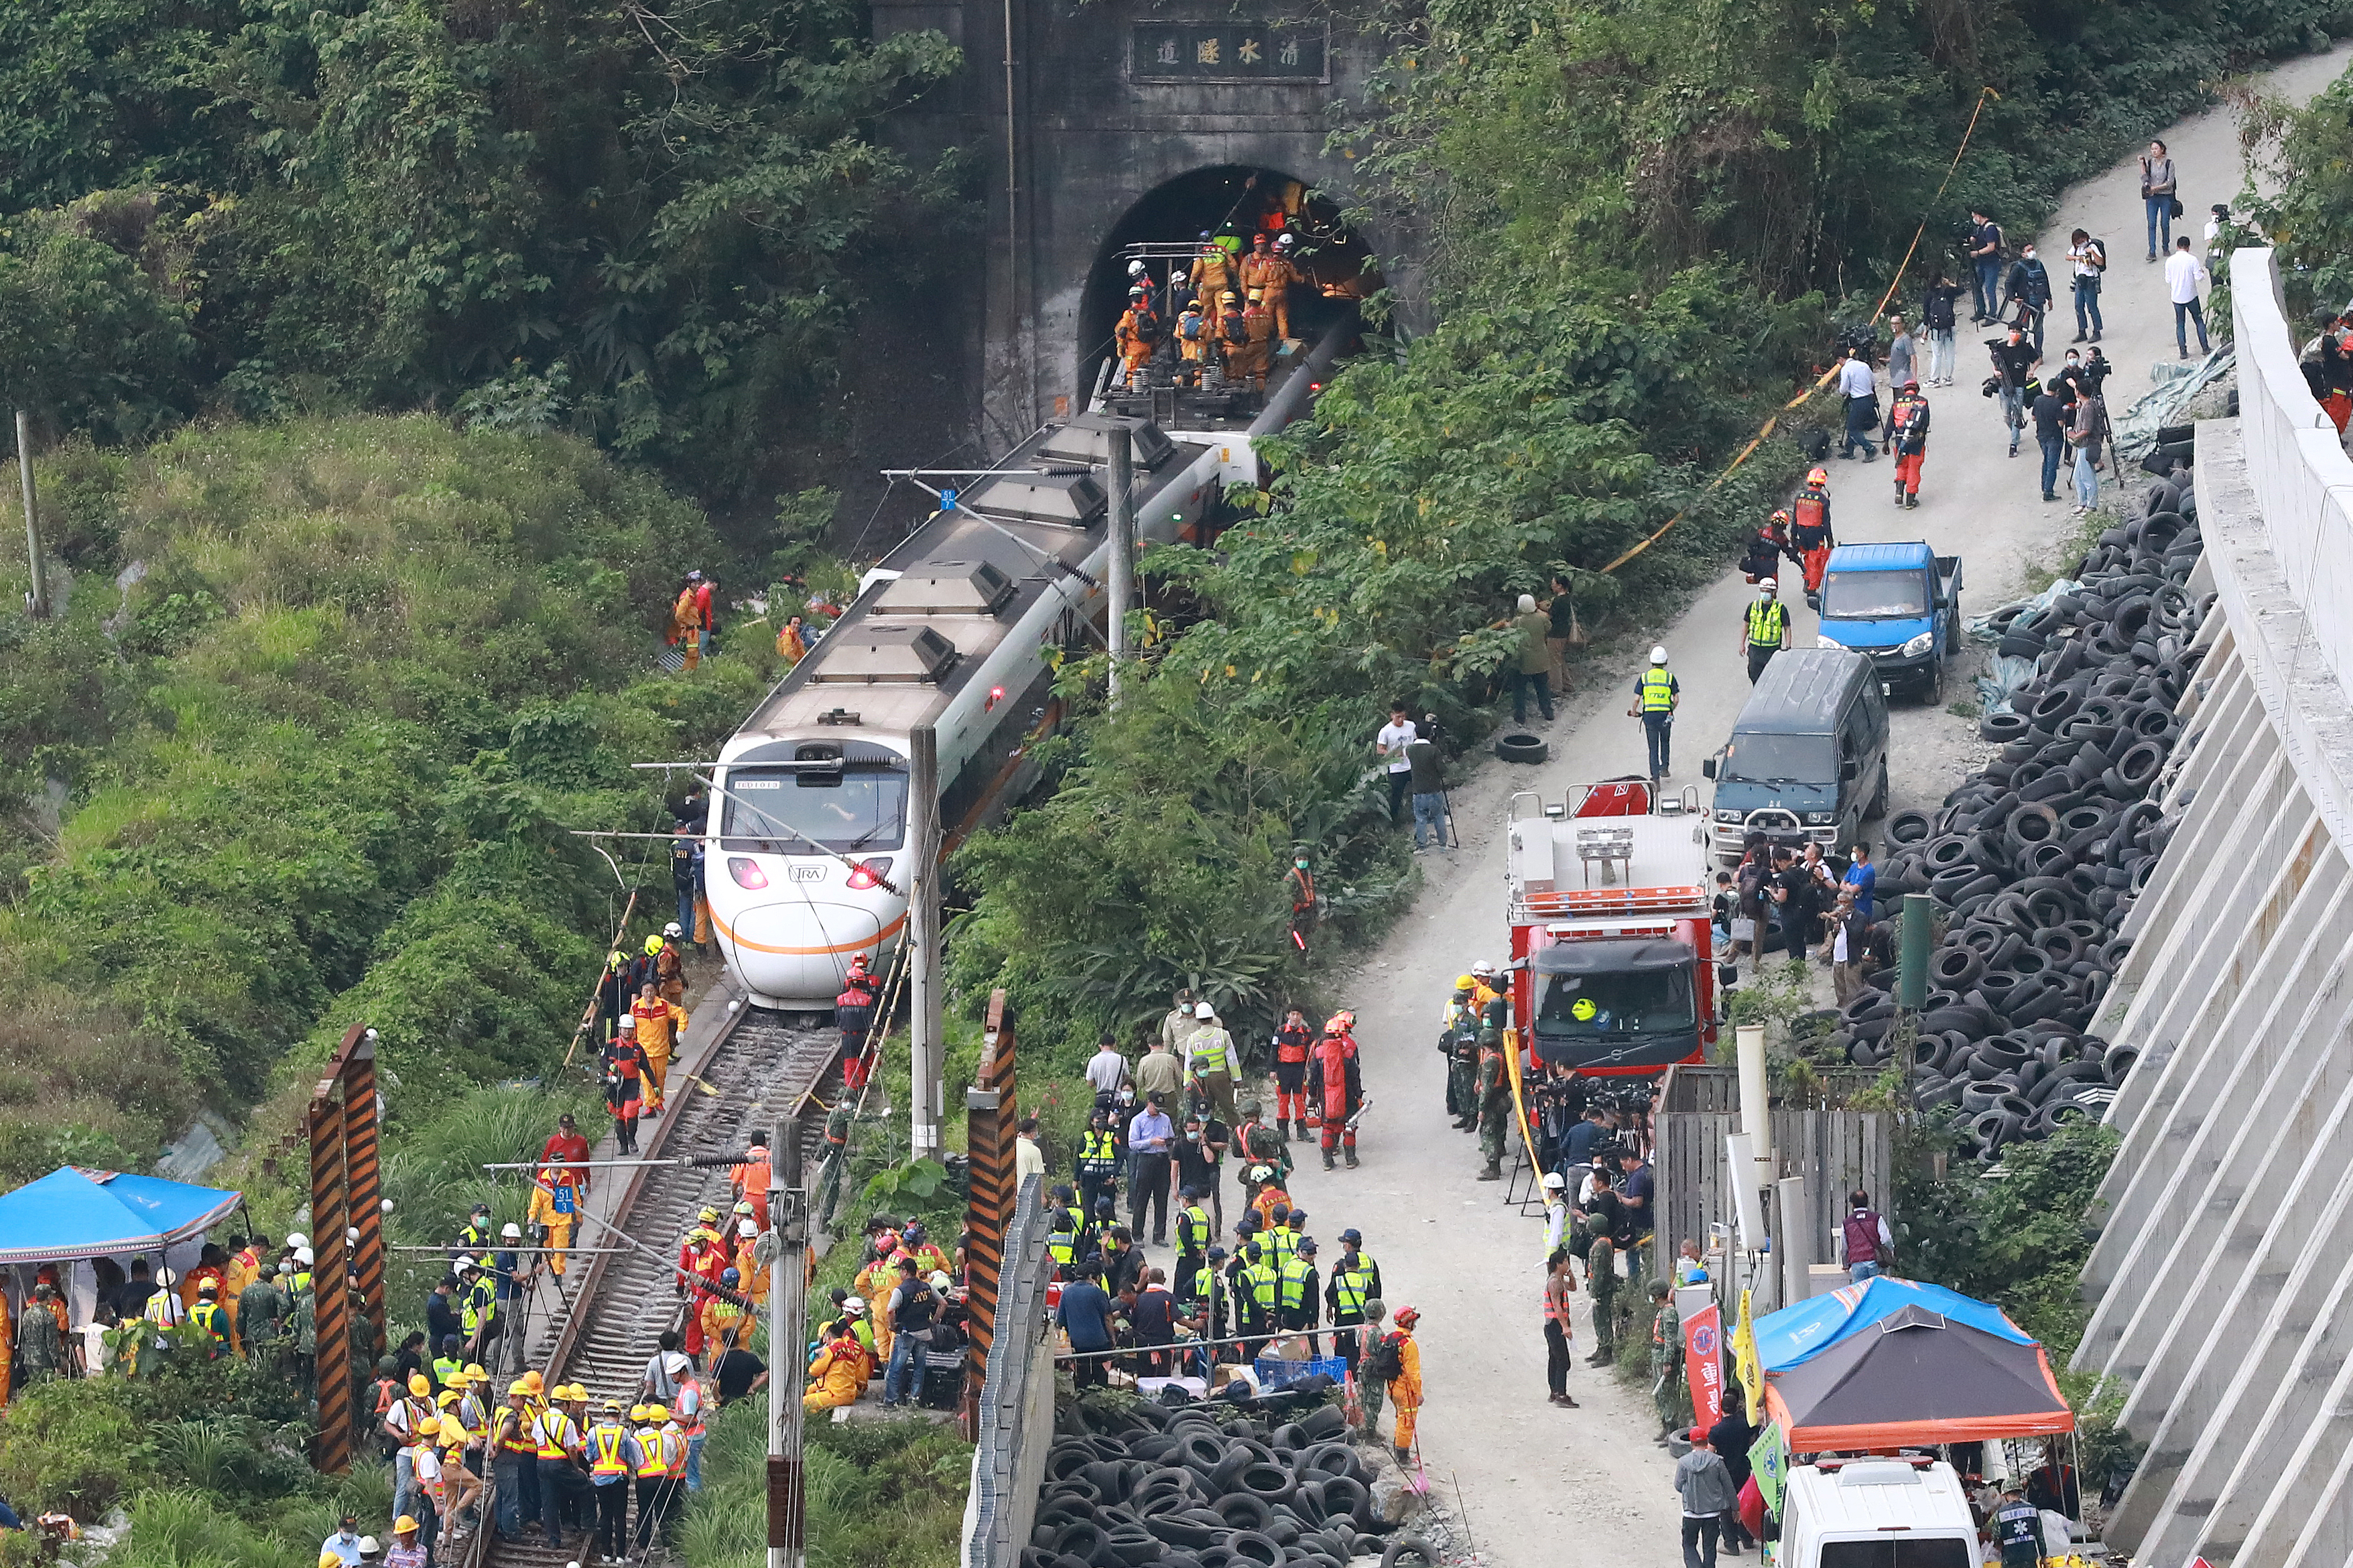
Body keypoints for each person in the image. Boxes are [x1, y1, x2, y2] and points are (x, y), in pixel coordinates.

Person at [1675, 1434, 1738, 1568]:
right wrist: (1735, 1508)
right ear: (1707, 1442)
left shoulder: (1684, 1462)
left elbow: (1678, 1485)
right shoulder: (1717, 1461)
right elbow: (1728, 1486)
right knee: (1710, 1547)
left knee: (1689, 1545)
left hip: (1691, 1513)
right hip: (1712, 1513)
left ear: (1692, 1443)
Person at [1311, 1012, 1364, 1170]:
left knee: (1328, 1127)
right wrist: (1359, 1095)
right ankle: (1351, 1159)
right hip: (1348, 1095)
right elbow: (1355, 1076)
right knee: (1349, 1126)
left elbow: (1313, 1076)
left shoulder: (1319, 1052)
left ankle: (1328, 1161)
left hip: (1326, 1096)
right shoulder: (1348, 1052)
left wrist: (1313, 1095)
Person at [1473, 988, 1515, 1181]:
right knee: (1497, 1128)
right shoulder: (1497, 1056)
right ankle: (1497, 1157)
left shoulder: (1491, 1061)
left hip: (1492, 1100)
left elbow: (1487, 1088)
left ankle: (1493, 1168)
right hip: (1500, 1097)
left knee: (1488, 1133)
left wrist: (1481, 1109)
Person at [1127, 1091, 1175, 1244]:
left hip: (1162, 1160)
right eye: (1156, 1107)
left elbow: (1171, 1137)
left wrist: (1167, 1142)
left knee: (1162, 1199)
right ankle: (1137, 1235)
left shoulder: (1165, 1119)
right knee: (1141, 1199)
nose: (1158, 1110)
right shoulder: (1138, 1120)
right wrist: (1151, 1142)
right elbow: (1133, 1144)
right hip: (1146, 1159)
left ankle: (1159, 1235)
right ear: (1149, 1103)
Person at [1057, 1263, 1115, 1388]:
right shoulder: (1097, 1292)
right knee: (1100, 1376)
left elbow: (1061, 1321)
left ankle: (1082, 1396)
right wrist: (1112, 1338)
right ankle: (1100, 1397)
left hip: (1078, 1343)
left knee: (1082, 1376)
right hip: (1099, 1342)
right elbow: (1108, 1318)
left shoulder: (1067, 1292)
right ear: (1090, 1276)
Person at [1379, 1305, 1423, 1466]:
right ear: (1408, 1323)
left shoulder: (1390, 1338)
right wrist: (1418, 1394)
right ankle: (1403, 1458)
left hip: (1392, 1388)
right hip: (1405, 1390)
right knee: (1407, 1422)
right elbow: (1413, 1373)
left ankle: (1398, 1449)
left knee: (1401, 1419)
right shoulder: (1408, 1344)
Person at [1184, 1000, 1241, 1124]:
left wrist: (1187, 1083)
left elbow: (1188, 1063)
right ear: (1212, 1018)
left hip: (1201, 1079)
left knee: (1204, 1109)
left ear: (1198, 1019)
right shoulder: (1223, 1034)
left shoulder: (1192, 1039)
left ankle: (1207, 1134)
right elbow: (1232, 1059)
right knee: (1229, 1109)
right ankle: (1239, 1132)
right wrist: (1237, 1078)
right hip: (1221, 1077)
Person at [1630, 646, 1679, 779]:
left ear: (1651, 661)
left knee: (1653, 748)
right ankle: (1665, 768)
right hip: (1665, 716)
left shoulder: (1644, 678)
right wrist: (1670, 709)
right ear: (1665, 662)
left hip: (1650, 717)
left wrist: (1634, 712)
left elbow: (1637, 699)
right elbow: (1676, 699)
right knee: (1665, 741)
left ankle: (1655, 778)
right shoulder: (1669, 678)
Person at [1990, 324, 2037, 458]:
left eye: (2017, 332)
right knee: (2006, 416)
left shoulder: (2025, 347)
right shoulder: (2001, 348)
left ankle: (2013, 443)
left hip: (2019, 386)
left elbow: (2037, 359)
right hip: (2003, 385)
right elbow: (1994, 362)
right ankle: (2015, 432)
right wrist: (1995, 372)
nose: (2015, 334)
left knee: (2017, 413)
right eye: (2012, 331)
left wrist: (2031, 370)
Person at [1649, 1281, 1688, 1441]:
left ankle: (1672, 1428)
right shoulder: (1662, 1311)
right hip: (1657, 1356)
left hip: (1665, 1358)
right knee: (1660, 1394)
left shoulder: (1669, 1313)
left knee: (1669, 1394)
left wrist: (1667, 1363)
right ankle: (1665, 1425)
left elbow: (1671, 1341)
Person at [1543, 1248, 1580, 1409]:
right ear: (1559, 1264)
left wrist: (1570, 1274)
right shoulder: (1554, 1283)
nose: (1568, 1264)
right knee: (1563, 1361)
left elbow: (1573, 1287)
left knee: (1554, 1358)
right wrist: (1565, 1326)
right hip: (1555, 1325)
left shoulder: (1558, 1280)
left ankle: (1554, 1391)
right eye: (1566, 1262)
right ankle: (1561, 1394)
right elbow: (1557, 1307)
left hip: (1552, 1325)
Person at [1789, 467, 1832, 602]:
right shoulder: (1823, 500)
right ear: (1822, 483)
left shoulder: (1799, 497)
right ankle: (1812, 590)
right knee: (1816, 562)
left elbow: (1795, 519)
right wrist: (1830, 541)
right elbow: (1826, 523)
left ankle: (1808, 580)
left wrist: (1793, 537)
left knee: (1807, 558)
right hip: (1816, 533)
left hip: (1801, 532)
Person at [1510, 593, 1555, 722]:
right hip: (1541, 659)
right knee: (1543, 688)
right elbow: (1549, 628)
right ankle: (1548, 712)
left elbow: (1511, 635)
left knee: (1519, 690)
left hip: (1523, 661)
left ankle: (1520, 716)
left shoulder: (1517, 621)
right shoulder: (1541, 618)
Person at [1885, 381, 1929, 509]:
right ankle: (1910, 500)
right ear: (1917, 390)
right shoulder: (1923, 402)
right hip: (1916, 442)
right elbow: (1925, 423)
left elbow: (1890, 424)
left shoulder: (1896, 403)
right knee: (1914, 469)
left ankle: (1899, 492)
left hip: (1900, 440)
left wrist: (1886, 442)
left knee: (1901, 465)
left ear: (1904, 390)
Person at [2004, 243, 2053, 352]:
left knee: (2039, 330)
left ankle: (2038, 353)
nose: (2032, 252)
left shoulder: (2039, 264)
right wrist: (2013, 298)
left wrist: (2049, 298)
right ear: (2023, 255)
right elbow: (2009, 283)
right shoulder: (2018, 267)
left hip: (2039, 303)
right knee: (2022, 331)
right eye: (2029, 250)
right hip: (2024, 305)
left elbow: (2045, 281)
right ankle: (2021, 354)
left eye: (2032, 249)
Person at [2166, 236, 2210, 358]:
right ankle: (2205, 348)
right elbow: (2199, 277)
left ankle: (2183, 352)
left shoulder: (2170, 261)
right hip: (2191, 296)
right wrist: (2201, 272)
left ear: (2177, 247)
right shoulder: (2192, 260)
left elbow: (2168, 279)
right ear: (2188, 247)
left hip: (2177, 297)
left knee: (2180, 324)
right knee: (2199, 321)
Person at [1740, 580, 1789, 685]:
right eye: (1762, 591)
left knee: (1773, 679)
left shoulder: (1780, 609)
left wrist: (1788, 647)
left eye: (1767, 591)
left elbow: (1787, 628)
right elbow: (1746, 625)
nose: (1764, 594)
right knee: (1754, 676)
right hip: (1755, 650)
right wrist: (1742, 644)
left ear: (1774, 592)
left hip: (1772, 650)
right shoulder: (1753, 606)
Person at [1377, 702, 1418, 823]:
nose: (1401, 720)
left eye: (1403, 717)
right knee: (1396, 796)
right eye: (1398, 717)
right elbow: (1380, 749)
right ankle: (1394, 821)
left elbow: (1417, 740)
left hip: (1412, 765)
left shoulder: (1411, 726)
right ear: (1392, 715)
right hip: (1396, 768)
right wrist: (1392, 754)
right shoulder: (1386, 731)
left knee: (1420, 790)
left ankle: (1422, 814)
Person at [1835, 344, 1878, 460]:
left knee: (1853, 429)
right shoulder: (1864, 365)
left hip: (1858, 400)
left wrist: (1844, 392)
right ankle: (1849, 450)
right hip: (1869, 398)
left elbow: (1843, 389)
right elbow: (1873, 381)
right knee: (1853, 423)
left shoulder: (1846, 369)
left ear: (1841, 359)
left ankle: (1869, 448)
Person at [1841, 1188, 1894, 1281]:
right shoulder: (1876, 1218)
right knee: (1878, 1289)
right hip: (1876, 1261)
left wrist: (1846, 1264)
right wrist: (1889, 1253)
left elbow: (1844, 1247)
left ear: (1852, 1204)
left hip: (1857, 1263)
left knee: (1861, 1290)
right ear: (1867, 1202)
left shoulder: (1847, 1222)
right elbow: (1886, 1240)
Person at [2029, 377, 2068, 505]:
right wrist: (2064, 414)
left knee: (2046, 461)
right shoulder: (2057, 403)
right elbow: (2061, 424)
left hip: (2041, 436)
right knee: (2052, 465)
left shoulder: (2038, 400)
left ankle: (2044, 485)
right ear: (2057, 391)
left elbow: (2033, 418)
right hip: (2054, 437)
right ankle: (2048, 492)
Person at [2070, 385, 2106, 515]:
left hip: (2087, 445)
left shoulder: (2089, 408)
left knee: (2087, 476)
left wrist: (2074, 436)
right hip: (2083, 446)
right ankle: (2083, 502)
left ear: (2078, 392)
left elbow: (2087, 430)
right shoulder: (2086, 405)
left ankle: (2091, 504)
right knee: (2078, 476)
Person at [1922, 273, 1964, 385]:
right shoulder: (1948, 291)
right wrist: (1950, 284)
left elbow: (1926, 314)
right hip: (1950, 325)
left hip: (1936, 329)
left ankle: (1934, 379)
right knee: (1950, 353)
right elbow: (1961, 290)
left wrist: (1925, 330)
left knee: (1937, 354)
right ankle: (1948, 378)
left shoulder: (1928, 294)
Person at [2066, 228, 2106, 343]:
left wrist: (2092, 253)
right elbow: (2067, 257)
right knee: (2079, 306)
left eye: (2080, 241)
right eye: (2077, 242)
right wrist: (2078, 258)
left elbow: (2100, 262)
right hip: (2080, 279)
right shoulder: (2076, 248)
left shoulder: (2092, 246)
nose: (2079, 244)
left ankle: (2097, 331)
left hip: (2090, 280)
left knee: (2092, 307)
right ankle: (2082, 331)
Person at [2141, 140, 2177, 261]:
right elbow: (2144, 178)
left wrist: (2155, 188)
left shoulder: (2169, 163)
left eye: (2156, 148)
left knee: (2164, 223)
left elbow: (2170, 182)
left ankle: (2165, 246)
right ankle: (2152, 251)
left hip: (2165, 196)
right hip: (2152, 198)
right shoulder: (2150, 163)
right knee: (2151, 223)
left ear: (2162, 149)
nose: (2154, 151)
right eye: (2152, 149)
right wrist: (2142, 164)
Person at [1991, 1484, 2041, 1568]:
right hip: (2030, 1561)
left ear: (2006, 1495)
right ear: (2020, 1493)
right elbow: (2040, 1536)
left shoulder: (2000, 1514)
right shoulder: (2032, 1510)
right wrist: (2043, 1555)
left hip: (2010, 1562)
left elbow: (1995, 1537)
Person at [1967, 208, 2004, 324]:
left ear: (1979, 216)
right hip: (1981, 262)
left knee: (1989, 288)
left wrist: (1977, 253)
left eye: (1974, 216)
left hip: (1991, 262)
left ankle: (1992, 314)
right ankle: (1981, 311)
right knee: (1977, 286)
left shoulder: (1990, 228)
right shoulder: (1980, 228)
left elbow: (1991, 247)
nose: (1974, 219)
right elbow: (1974, 238)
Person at [1545, 573, 1580, 693]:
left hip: (1555, 634)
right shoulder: (1567, 598)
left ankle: (1556, 688)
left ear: (1560, 586)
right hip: (1564, 632)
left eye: (1553, 584)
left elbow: (1550, 615)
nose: (1552, 586)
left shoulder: (1558, 600)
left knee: (1554, 662)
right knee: (1559, 659)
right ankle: (1568, 685)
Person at [669, 576, 705, 671]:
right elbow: (679, 615)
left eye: (698, 583)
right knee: (692, 654)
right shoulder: (687, 597)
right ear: (689, 584)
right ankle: (687, 673)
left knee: (694, 654)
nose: (697, 586)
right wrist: (688, 623)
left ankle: (691, 672)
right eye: (694, 583)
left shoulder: (693, 596)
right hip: (691, 630)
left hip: (694, 630)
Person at [1084, 1033, 1129, 1100]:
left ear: (1100, 1046)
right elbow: (1127, 1079)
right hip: (1118, 1099)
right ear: (1114, 1045)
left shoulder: (1093, 1060)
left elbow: (1090, 1083)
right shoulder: (1122, 1059)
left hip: (1101, 1099)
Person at [1884, 314, 1916, 392]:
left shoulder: (1905, 339)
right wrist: (1889, 360)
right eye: (1892, 324)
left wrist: (1914, 377)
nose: (1894, 326)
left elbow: (1913, 357)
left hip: (1903, 380)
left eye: (1897, 323)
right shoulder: (1896, 339)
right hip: (1895, 380)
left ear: (1902, 324)